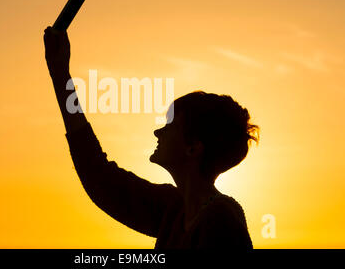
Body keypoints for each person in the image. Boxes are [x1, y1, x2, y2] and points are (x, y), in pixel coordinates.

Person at [43, 26, 259, 249]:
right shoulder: (174, 209)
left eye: (169, 125)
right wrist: (60, 74)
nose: (158, 132)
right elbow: (100, 177)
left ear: (193, 147)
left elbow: (100, 177)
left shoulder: (222, 221)